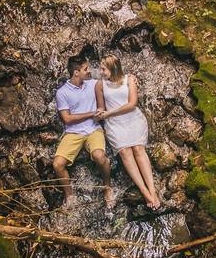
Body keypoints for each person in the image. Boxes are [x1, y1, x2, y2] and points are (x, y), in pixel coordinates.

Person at [95, 54, 160, 209]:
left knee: (138, 149)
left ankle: (152, 190)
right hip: (115, 124)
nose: (101, 72)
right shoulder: (100, 84)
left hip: (133, 119)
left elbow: (132, 104)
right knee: (125, 152)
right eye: (100, 69)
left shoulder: (129, 79)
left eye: (103, 69)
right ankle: (144, 191)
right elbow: (101, 107)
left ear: (113, 68)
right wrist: (99, 113)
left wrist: (109, 113)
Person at [53, 55, 113, 205]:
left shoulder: (93, 84)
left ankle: (107, 187)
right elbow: (67, 119)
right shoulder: (62, 92)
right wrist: (91, 114)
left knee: (100, 156)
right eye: (86, 69)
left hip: (94, 130)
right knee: (57, 164)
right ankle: (69, 196)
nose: (89, 71)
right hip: (73, 132)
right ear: (76, 72)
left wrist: (130, 78)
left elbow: (114, 79)